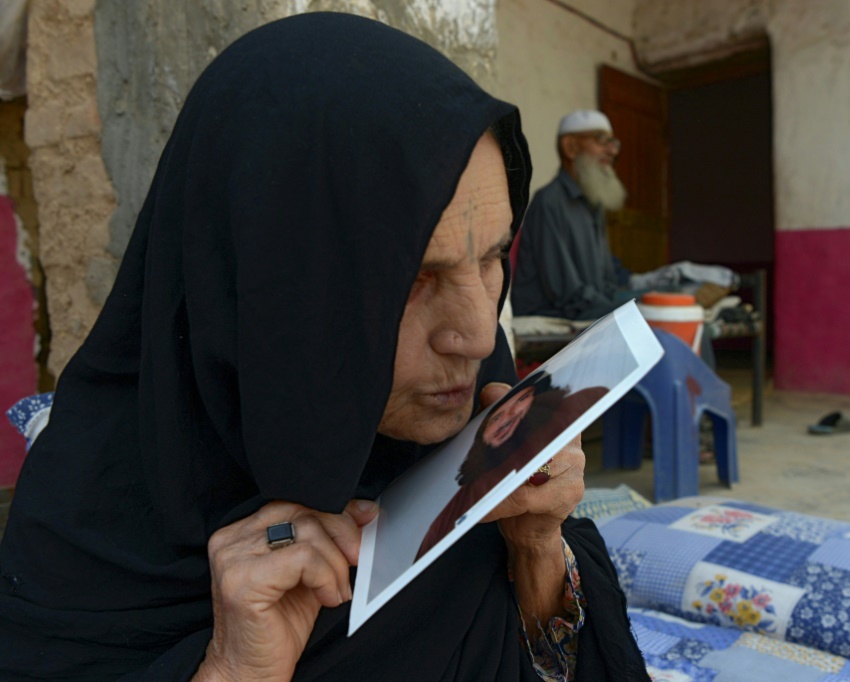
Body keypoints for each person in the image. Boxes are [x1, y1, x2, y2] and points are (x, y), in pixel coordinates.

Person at [0, 14, 649, 682]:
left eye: (489, 258)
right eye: (411, 278)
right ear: (259, 286)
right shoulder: (82, 548)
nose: (479, 334)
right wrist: (231, 671)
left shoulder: (473, 449)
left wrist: (536, 548)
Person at [510, 109, 739, 324]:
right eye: (601, 140)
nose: (613, 151)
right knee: (668, 316)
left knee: (682, 304)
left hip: (592, 303)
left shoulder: (592, 204)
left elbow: (608, 281)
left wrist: (658, 291)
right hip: (558, 312)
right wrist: (632, 309)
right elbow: (567, 294)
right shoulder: (549, 202)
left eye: (614, 142)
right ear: (571, 147)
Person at [417, 371, 608, 559]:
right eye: (497, 417)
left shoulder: (526, 475)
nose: (512, 413)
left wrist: (537, 542)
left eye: (523, 400)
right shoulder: (452, 498)